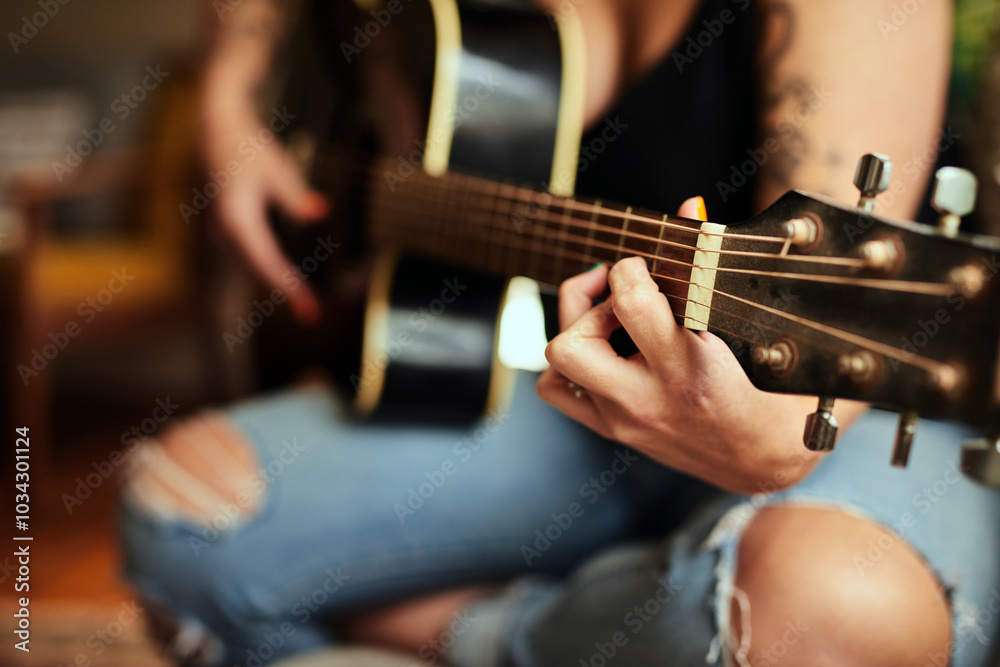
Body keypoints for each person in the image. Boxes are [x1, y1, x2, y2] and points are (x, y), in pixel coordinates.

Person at [120, 0, 1000, 665]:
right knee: (183, 516)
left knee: (835, 614)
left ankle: (483, 630)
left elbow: (819, 342)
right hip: (557, 388)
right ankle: (657, 604)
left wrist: (778, 439)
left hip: (871, 409)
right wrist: (231, 100)